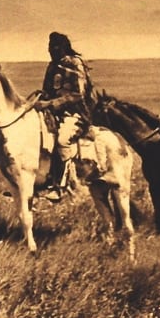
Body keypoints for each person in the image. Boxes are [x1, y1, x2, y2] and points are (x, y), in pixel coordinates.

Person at [38, 31, 93, 200]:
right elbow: (48, 90)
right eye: (49, 47)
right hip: (54, 113)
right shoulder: (52, 65)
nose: (51, 50)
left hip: (76, 113)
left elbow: (78, 95)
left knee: (62, 140)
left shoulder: (74, 63)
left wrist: (51, 104)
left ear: (63, 48)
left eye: (55, 47)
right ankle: (37, 182)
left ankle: (60, 186)